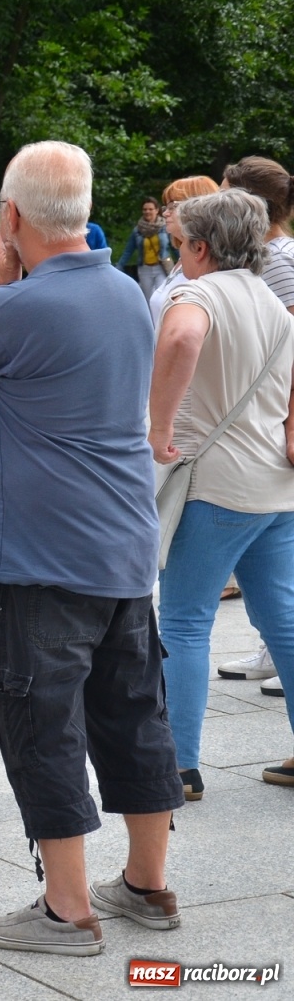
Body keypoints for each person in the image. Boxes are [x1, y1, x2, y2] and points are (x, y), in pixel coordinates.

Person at [0, 141, 183, 956]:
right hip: (124, 547)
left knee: (42, 722)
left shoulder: (15, 304)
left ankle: (66, 910)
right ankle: (148, 883)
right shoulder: (124, 292)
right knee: (134, 715)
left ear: (11, 218)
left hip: (40, 555)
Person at [148, 188, 294, 798]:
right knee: (284, 622)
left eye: (179, 243)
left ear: (201, 247)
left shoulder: (196, 291)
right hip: (275, 488)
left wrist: (158, 427)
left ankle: (177, 765)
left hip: (213, 487)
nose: (175, 254)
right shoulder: (273, 302)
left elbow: (181, 338)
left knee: (183, 622)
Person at [220, 155, 294, 313]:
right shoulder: (274, 252)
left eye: (224, 197)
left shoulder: (275, 260)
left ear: (251, 205)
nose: (216, 204)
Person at [149, 176, 221, 327]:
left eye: (172, 207)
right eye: (165, 207)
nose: (165, 213)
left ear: (199, 208)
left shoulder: (209, 264)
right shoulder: (184, 259)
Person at [116, 197, 175, 298]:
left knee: (160, 296)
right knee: (148, 299)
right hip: (144, 269)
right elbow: (128, 251)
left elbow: (175, 247)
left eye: (150, 209)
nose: (147, 211)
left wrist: (183, 262)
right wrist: (119, 267)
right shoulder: (137, 230)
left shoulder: (165, 227)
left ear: (157, 210)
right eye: (145, 209)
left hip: (161, 267)